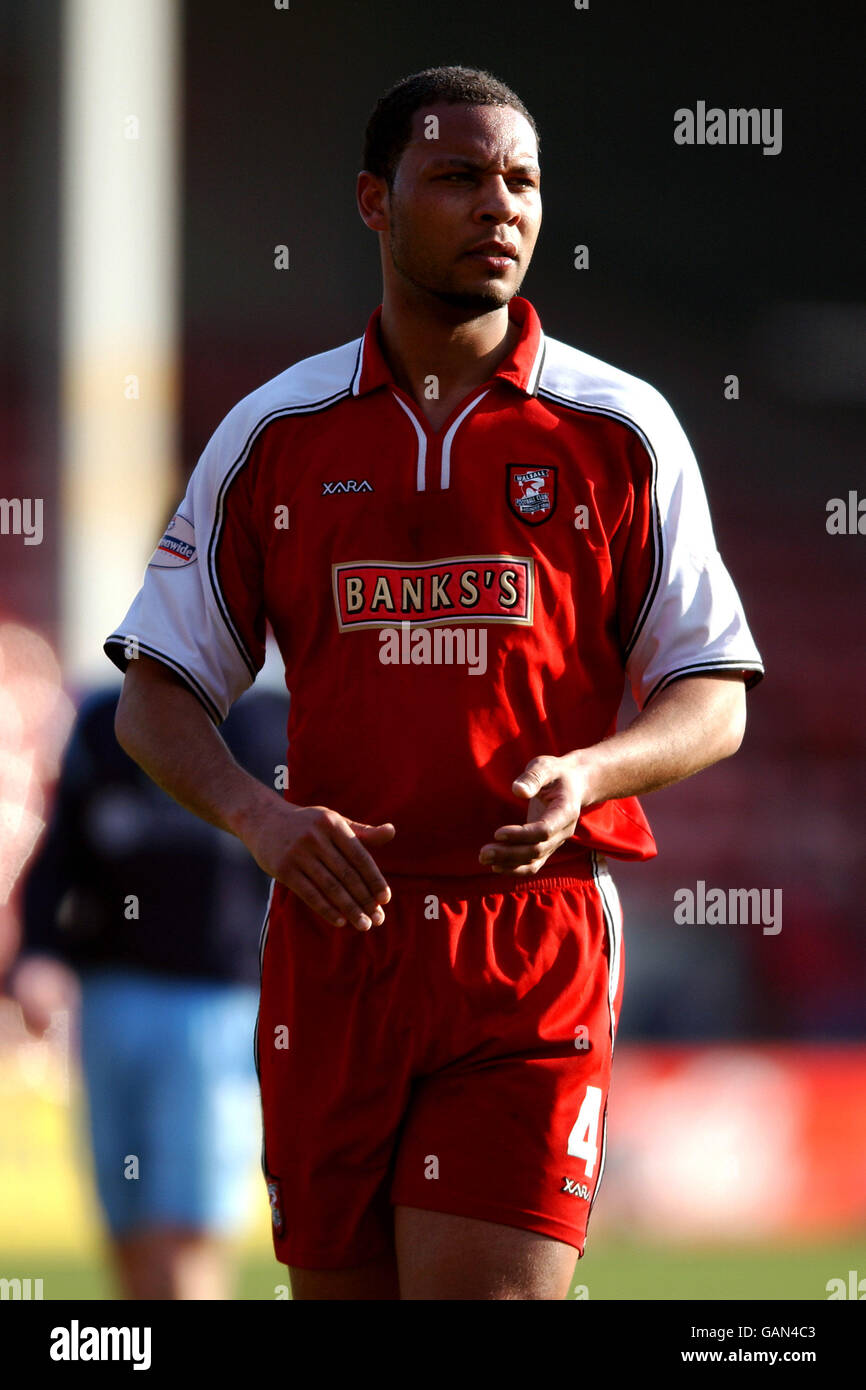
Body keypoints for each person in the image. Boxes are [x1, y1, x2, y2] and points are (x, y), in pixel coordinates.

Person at [104, 66, 764, 1301]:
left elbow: (711, 694)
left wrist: (592, 770)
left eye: (520, 181)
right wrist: (259, 816)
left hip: (530, 946)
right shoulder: (273, 433)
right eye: (458, 177)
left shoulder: (619, 429)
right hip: (334, 944)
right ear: (374, 200)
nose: (497, 206)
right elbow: (157, 694)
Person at [11, 667, 289, 1299]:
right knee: (126, 1227)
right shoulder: (107, 716)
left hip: (218, 1001)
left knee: (184, 1230)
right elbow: (63, 844)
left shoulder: (272, 721)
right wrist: (40, 950)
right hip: (110, 993)